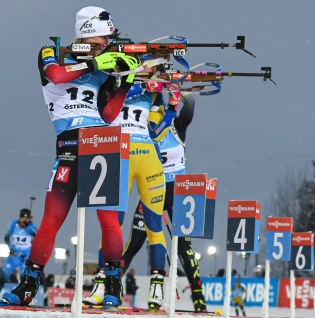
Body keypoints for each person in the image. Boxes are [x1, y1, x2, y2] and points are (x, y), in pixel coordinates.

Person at [1, 6, 139, 306]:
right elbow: (56, 75)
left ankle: (113, 284)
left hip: (102, 140)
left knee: (109, 221)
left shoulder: (104, 66)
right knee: (52, 218)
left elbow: (110, 113)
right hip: (69, 145)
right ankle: (28, 284)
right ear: (89, 31)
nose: (107, 42)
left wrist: (126, 79)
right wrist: (94, 64)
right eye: (104, 37)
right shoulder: (52, 52)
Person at [83, 65, 180, 309]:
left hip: (143, 156)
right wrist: (145, 86)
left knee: (152, 224)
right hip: (119, 155)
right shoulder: (113, 85)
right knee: (111, 222)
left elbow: (156, 132)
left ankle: (156, 288)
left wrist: (171, 105)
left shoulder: (151, 93)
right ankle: (102, 284)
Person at [110, 83, 207, 312]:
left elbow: (189, 109)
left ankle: (199, 299)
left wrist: (183, 93)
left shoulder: (176, 127)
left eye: (162, 109)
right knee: (135, 242)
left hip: (177, 189)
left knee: (184, 246)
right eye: (157, 109)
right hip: (152, 187)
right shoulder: (144, 129)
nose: (159, 113)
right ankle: (110, 287)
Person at [0, 209, 37, 290]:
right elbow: (6, 237)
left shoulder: (32, 226)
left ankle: (22, 299)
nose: (24, 221)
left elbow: (38, 238)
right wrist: (11, 248)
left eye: (26, 219)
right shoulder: (13, 224)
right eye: (22, 219)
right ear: (20, 218)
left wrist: (29, 228)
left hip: (26, 256)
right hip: (14, 255)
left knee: (24, 278)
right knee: (2, 276)